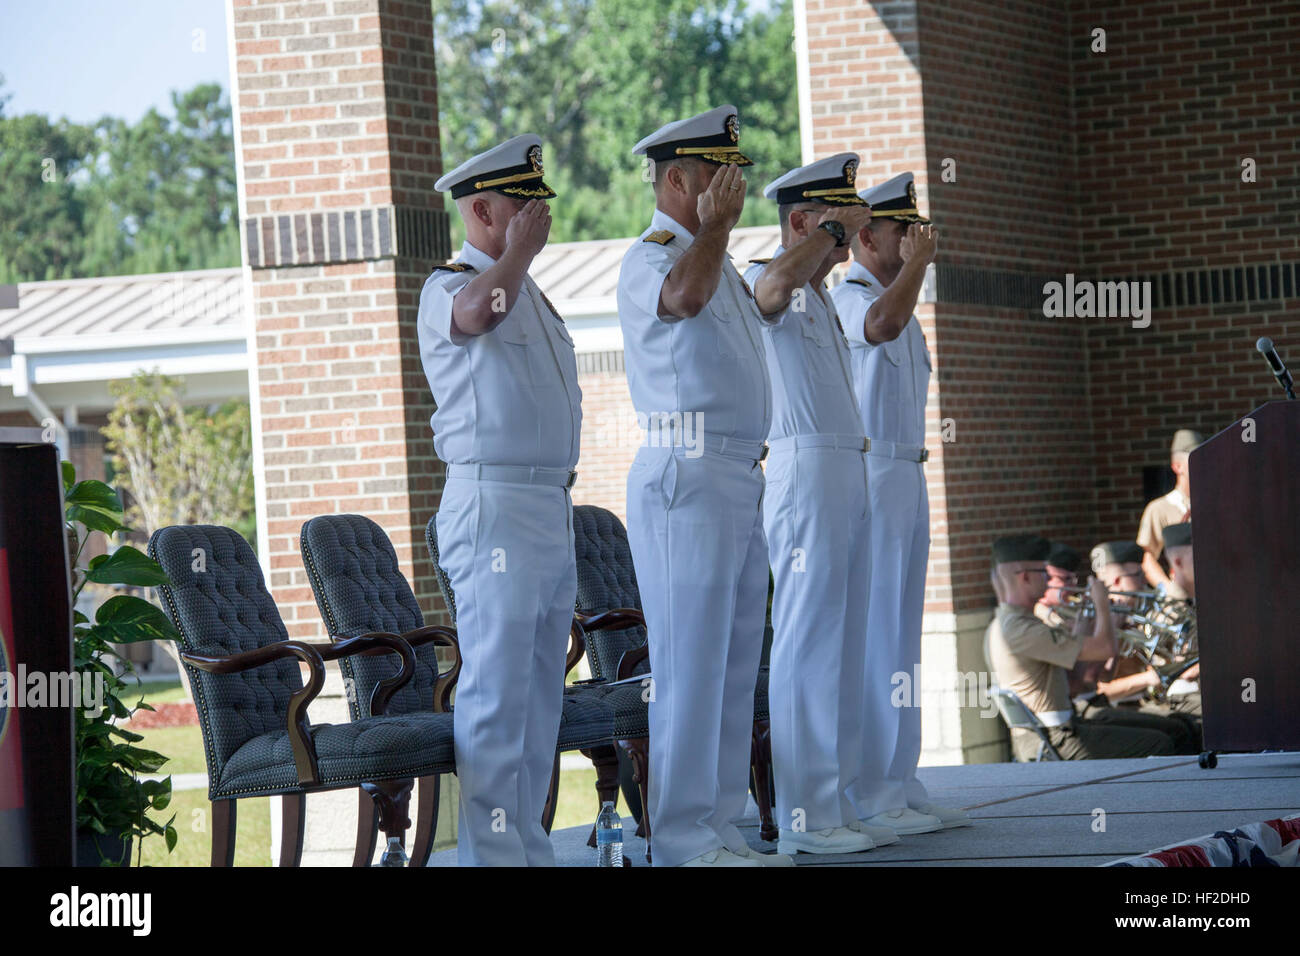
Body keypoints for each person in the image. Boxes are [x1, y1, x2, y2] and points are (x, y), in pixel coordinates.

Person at [618, 105, 792, 867]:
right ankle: (683, 836)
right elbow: (682, 301)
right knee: (690, 664)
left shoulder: (714, 257)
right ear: (680, 181)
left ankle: (720, 827)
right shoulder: (654, 254)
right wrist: (715, 229)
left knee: (729, 662)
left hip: (736, 472)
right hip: (684, 471)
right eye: (721, 176)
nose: (735, 189)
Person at [416, 135, 581, 866]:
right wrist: (516, 256)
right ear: (482, 211)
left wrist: (519, 260)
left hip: (547, 503)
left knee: (540, 691)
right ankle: (490, 855)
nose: (539, 218)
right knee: (497, 689)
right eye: (524, 205)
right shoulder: (449, 285)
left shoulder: (529, 290)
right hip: (494, 504)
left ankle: (527, 847)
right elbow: (477, 315)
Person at [743, 153, 896, 855]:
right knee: (808, 640)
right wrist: (830, 235)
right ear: (804, 222)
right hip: (804, 468)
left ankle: (836, 801)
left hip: (846, 467)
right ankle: (805, 816)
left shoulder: (824, 294)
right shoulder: (768, 275)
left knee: (844, 642)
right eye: (839, 224)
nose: (849, 240)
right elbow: (771, 288)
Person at [830, 171, 967, 832]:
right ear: (866, 237)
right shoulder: (850, 295)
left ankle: (901, 778)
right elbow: (879, 326)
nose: (914, 238)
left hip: (908, 470)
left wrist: (912, 271)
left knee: (903, 635)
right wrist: (917, 268)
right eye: (901, 228)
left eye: (916, 228)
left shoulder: (900, 299)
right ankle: (872, 791)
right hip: (873, 470)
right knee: (880, 631)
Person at [985, 535, 1180, 761]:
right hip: (1053, 739)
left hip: (1057, 731)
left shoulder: (1013, 623)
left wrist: (1083, 628)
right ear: (1025, 577)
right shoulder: (1022, 629)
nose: (1048, 580)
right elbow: (1104, 648)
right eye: (1044, 573)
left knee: (1170, 732)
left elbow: (1076, 684)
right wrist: (1102, 605)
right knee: (1160, 743)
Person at [1077, 542, 1200, 753]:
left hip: (1152, 701)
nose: (1144, 581)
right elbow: (1099, 688)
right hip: (1120, 708)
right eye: (1138, 575)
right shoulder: (1093, 624)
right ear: (1117, 581)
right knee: (1183, 730)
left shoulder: (1145, 613)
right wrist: (1148, 678)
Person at [1137, 429, 1203, 599]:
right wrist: (1168, 588)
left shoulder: (1216, 503)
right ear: (1177, 466)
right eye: (1196, 458)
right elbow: (1146, 557)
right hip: (1182, 598)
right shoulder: (1159, 508)